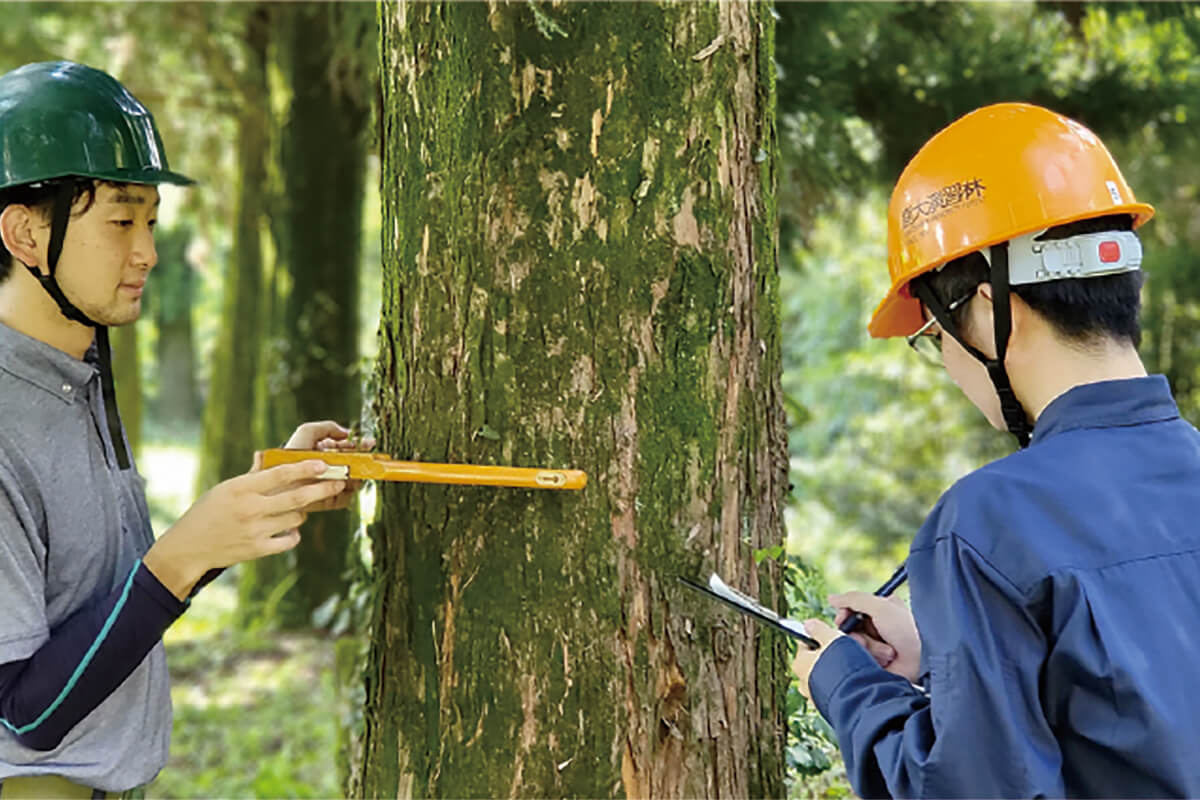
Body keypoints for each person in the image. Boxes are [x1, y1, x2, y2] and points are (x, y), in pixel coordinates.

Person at [790, 102, 1200, 797]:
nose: (948, 363)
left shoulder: (988, 526)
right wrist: (947, 666)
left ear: (985, 305)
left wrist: (850, 688)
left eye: (934, 336)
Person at [0, 61, 362, 797]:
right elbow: (24, 715)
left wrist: (245, 510)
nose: (149, 254)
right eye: (121, 221)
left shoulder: (77, 373)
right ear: (25, 233)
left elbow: (108, 597)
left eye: (152, 223)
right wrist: (181, 555)